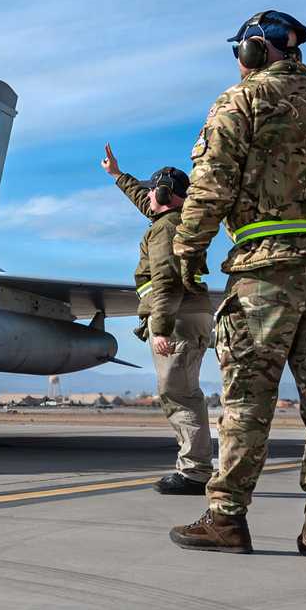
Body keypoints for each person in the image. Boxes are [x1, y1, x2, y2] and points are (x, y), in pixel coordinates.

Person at [163, 11, 306, 560]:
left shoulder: (240, 102)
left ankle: (227, 518)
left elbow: (211, 184)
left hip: (267, 267)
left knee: (247, 398)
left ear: (255, 52)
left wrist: (187, 252)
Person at [101, 146, 215, 495]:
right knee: (184, 392)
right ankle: (195, 466)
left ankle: (194, 472)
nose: (148, 194)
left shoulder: (165, 231)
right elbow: (146, 201)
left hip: (176, 319)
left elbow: (165, 280)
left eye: (154, 189)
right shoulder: (174, 222)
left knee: (179, 394)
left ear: (165, 194)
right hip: (190, 315)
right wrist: (117, 175)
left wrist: (160, 328)